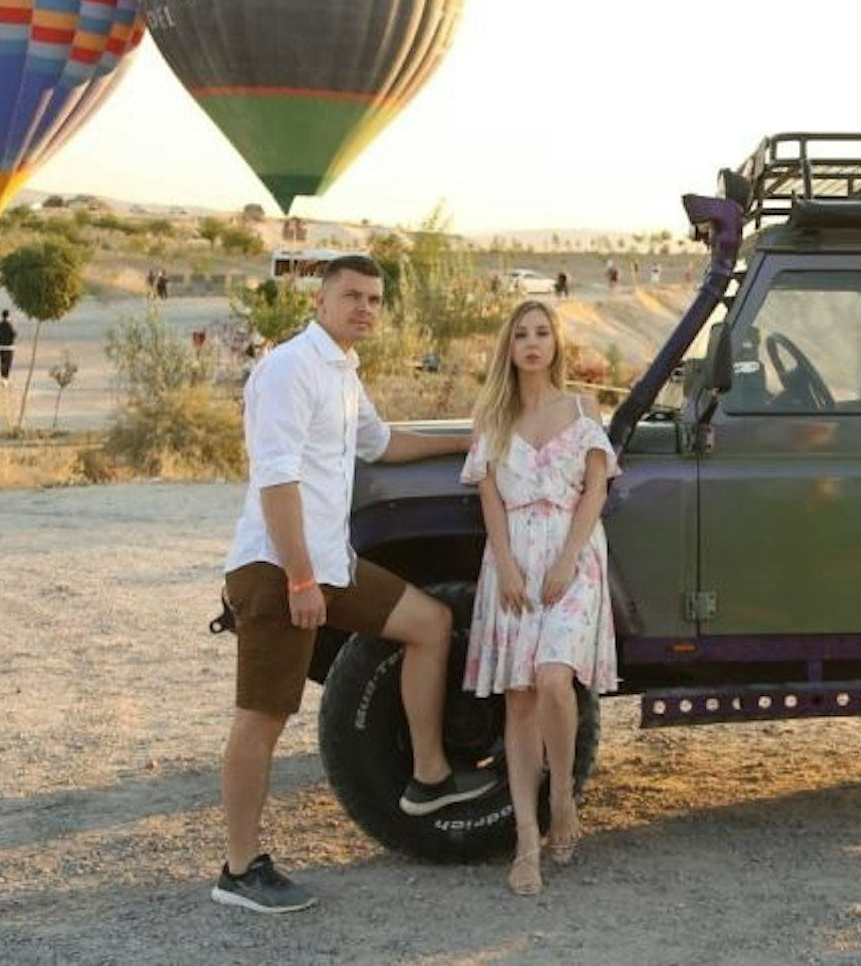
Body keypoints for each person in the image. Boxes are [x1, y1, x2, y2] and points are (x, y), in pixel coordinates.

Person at [214, 254, 497, 915]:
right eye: (352, 296)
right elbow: (276, 479)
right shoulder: (290, 368)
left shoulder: (343, 370)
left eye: (374, 298)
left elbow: (382, 443)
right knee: (261, 719)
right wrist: (301, 578)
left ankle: (428, 775)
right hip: (279, 569)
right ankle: (239, 869)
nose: (365, 307)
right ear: (319, 302)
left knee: (430, 623)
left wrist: (467, 438)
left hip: (329, 562)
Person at [460, 298, 619, 896]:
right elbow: (489, 499)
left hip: (572, 555)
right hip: (513, 562)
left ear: (556, 343)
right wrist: (504, 563)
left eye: (542, 333)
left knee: (554, 677)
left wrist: (569, 557)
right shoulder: (492, 418)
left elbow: (597, 489)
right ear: (509, 346)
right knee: (520, 698)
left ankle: (562, 796)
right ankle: (526, 840)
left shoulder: (582, 407)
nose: (532, 342)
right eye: (521, 334)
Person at [0, 309, 17, 383]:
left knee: (2, 362)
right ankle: (6, 378)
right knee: (8, 363)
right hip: (9, 348)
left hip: (1, 347)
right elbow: (14, 334)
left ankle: (3, 378)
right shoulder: (10, 325)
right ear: (8, 316)